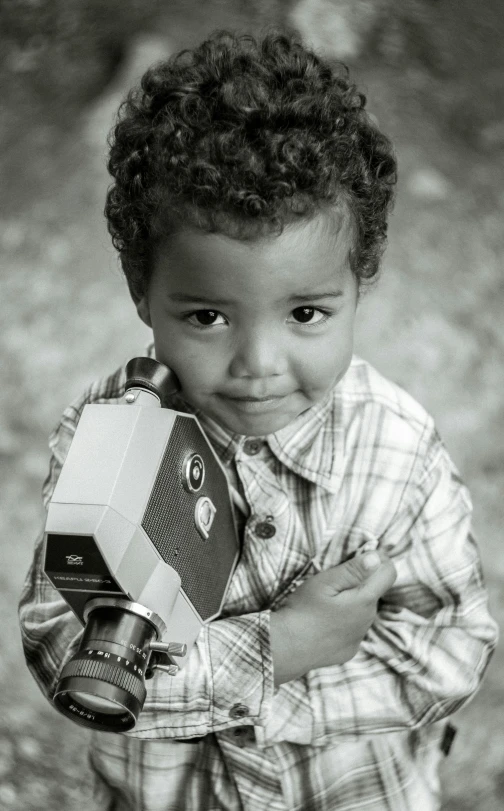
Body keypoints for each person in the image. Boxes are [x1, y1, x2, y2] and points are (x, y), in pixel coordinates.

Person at [19, 29, 497, 811]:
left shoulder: (396, 451)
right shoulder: (109, 435)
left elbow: (448, 654)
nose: (258, 363)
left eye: (306, 311)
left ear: (359, 283)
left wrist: (226, 689)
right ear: (143, 292)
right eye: (208, 315)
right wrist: (281, 651)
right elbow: (64, 649)